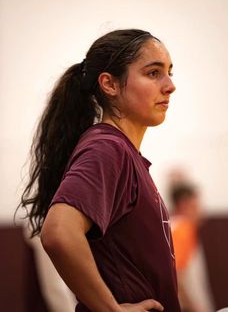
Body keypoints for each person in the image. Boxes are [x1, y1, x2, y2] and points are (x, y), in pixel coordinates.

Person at [19, 29, 180, 312]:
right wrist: (112, 310)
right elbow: (58, 232)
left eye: (169, 72)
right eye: (153, 73)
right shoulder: (108, 148)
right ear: (109, 84)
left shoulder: (122, 152)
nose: (170, 85)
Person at [169, 182, 214, 312]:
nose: (201, 210)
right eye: (197, 205)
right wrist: (194, 307)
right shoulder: (183, 228)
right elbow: (177, 274)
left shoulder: (174, 226)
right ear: (184, 204)